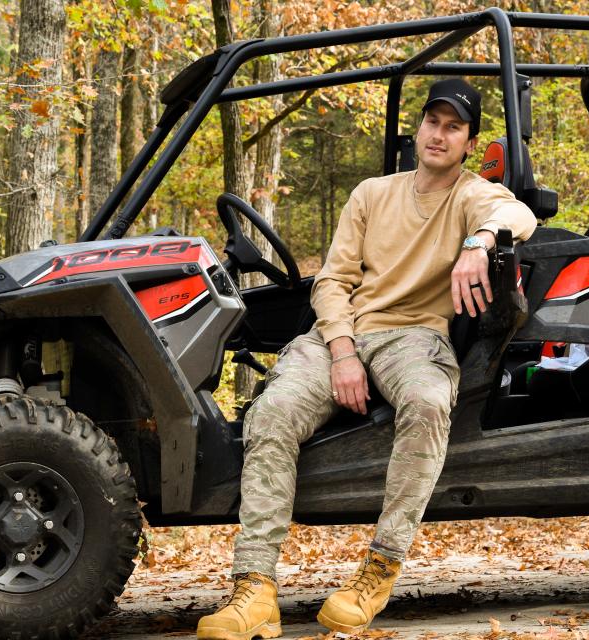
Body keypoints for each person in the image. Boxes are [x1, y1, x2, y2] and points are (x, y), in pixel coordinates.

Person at [197, 78, 538, 640]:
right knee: (273, 413)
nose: (440, 134)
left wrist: (479, 244)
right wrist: (342, 352)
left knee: (429, 402)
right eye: (434, 121)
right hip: (344, 334)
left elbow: (517, 215)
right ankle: (254, 590)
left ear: (468, 142)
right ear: (418, 127)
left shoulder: (472, 194)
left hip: (414, 337)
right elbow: (332, 281)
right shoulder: (372, 193)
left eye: (454, 127)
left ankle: (378, 571)